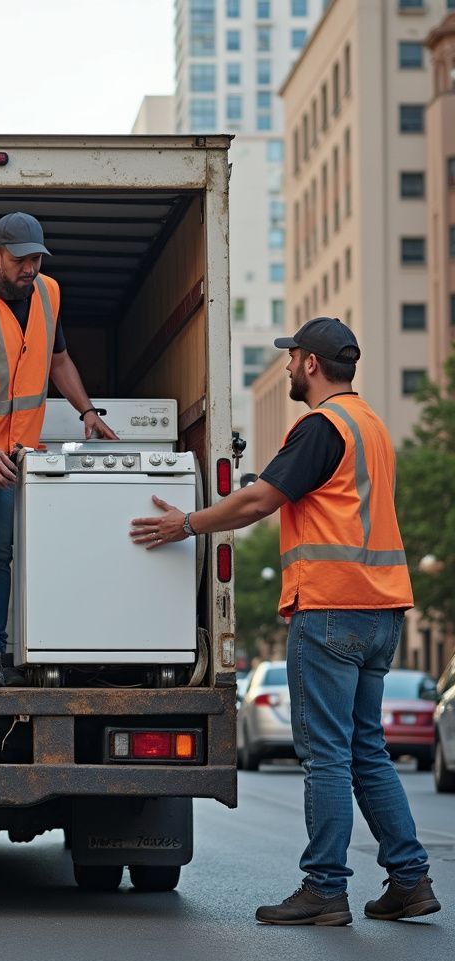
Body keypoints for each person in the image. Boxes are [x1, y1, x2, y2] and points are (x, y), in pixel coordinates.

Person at [129, 316, 440, 926]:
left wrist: (185, 524)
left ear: (313, 365)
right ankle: (409, 878)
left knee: (326, 754)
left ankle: (324, 887)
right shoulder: (370, 425)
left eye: (292, 357)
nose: (288, 366)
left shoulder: (320, 427)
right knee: (365, 751)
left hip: (329, 608)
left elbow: (258, 501)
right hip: (380, 610)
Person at [0, 212, 116, 687]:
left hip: (16, 450)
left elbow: (58, 360)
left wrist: (88, 411)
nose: (30, 268)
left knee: (4, 549)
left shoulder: (48, 293)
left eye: (36, 258)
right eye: (20, 259)